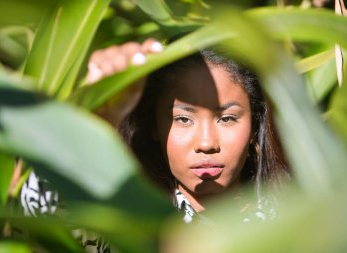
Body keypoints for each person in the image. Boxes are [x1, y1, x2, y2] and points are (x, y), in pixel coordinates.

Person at [88, 37, 291, 224]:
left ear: (255, 126)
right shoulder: (123, 222)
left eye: (227, 118)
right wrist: (100, 119)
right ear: (154, 126)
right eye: (183, 119)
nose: (206, 144)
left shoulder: (300, 223)